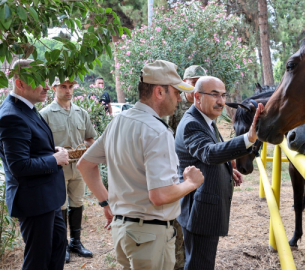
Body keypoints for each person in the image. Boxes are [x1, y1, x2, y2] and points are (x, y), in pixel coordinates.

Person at [76, 60, 205, 270]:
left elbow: (85, 165)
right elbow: (160, 195)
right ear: (159, 92)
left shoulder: (119, 121)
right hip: (149, 237)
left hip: (123, 232)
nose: (180, 98)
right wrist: (191, 183)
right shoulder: (157, 131)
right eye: (176, 92)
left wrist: (106, 204)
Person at [175, 76, 263, 269]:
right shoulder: (192, 123)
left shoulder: (206, 120)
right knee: (200, 265)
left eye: (223, 95)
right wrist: (248, 138)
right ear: (197, 97)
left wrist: (227, 169)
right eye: (214, 95)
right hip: (199, 213)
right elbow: (208, 153)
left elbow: (206, 154)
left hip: (204, 209)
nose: (221, 101)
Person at [0, 59, 69, 270]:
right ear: (20, 83)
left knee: (58, 246)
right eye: (40, 81)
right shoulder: (12, 115)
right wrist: (54, 160)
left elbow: (31, 147)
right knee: (37, 260)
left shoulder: (27, 107)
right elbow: (19, 166)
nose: (47, 86)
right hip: (34, 201)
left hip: (47, 198)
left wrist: (51, 151)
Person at [40, 78, 97, 263]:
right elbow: (40, 145)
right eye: (63, 86)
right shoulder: (45, 114)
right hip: (58, 169)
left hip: (78, 167)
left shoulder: (81, 112)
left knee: (77, 203)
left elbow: (90, 139)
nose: (68, 90)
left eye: (71, 87)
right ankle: (62, 245)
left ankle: (76, 242)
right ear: (54, 88)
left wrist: (86, 150)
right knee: (61, 206)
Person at [160, 64, 206, 270]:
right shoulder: (172, 106)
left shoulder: (201, 107)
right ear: (185, 83)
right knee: (177, 228)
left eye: (200, 83)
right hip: (174, 174)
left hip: (194, 175)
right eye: (194, 82)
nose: (197, 87)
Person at [162, 65, 207, 134]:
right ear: (184, 82)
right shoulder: (173, 105)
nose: (198, 86)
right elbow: (165, 134)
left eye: (201, 82)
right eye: (194, 82)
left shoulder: (206, 105)